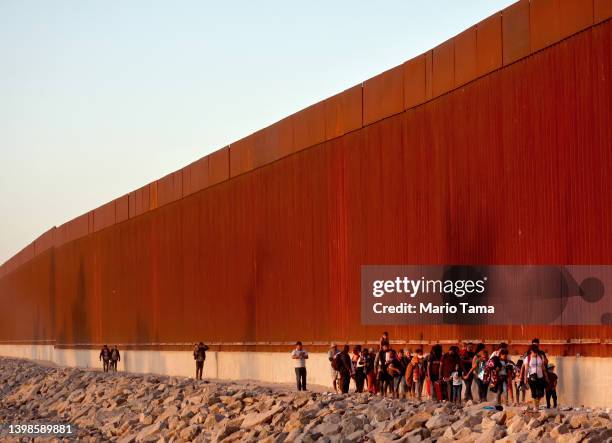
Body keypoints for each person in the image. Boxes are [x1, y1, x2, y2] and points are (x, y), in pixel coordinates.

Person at [520, 344, 548, 410]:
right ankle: (536, 406)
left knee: (541, 393)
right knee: (534, 392)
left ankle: (537, 403)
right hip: (531, 377)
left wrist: (546, 376)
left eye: (536, 352)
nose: (535, 353)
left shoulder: (540, 357)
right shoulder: (528, 358)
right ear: (531, 351)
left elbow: (543, 367)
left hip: (540, 377)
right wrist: (525, 378)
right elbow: (526, 368)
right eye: (534, 352)